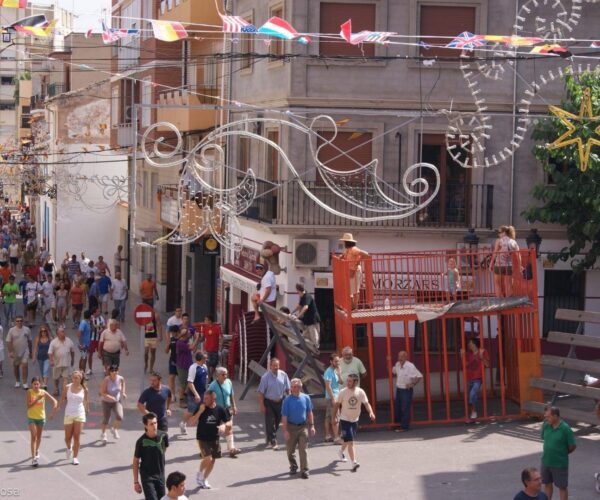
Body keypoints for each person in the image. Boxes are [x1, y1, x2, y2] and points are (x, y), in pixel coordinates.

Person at [190, 390, 230, 489]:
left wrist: (224, 425)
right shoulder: (201, 407)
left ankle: (204, 479)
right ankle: (199, 473)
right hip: (202, 438)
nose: (204, 400)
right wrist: (200, 411)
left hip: (214, 438)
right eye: (204, 398)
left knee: (213, 460)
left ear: (213, 399)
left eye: (206, 398)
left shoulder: (220, 409)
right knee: (208, 458)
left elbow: (229, 422)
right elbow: (192, 422)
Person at [336, 373, 376, 472]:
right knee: (351, 441)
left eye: (350, 381)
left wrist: (371, 412)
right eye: (347, 380)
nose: (347, 382)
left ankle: (340, 451)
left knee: (347, 440)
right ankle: (354, 462)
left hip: (355, 420)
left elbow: (366, 403)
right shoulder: (342, 392)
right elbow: (336, 405)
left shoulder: (360, 392)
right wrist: (333, 418)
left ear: (356, 382)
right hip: (344, 419)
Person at [281, 378, 315, 479]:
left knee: (303, 449)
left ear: (300, 387)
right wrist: (285, 430)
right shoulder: (287, 400)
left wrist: (312, 426)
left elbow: (309, 412)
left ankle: (304, 469)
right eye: (292, 387)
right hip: (291, 427)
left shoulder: (306, 398)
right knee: (290, 451)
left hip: (303, 427)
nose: (294, 388)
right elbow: (284, 416)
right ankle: (293, 466)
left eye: (296, 386)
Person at [541, 406, 576, 500]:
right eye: (545, 416)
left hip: (559, 464)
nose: (546, 418)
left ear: (555, 416)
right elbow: (544, 438)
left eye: (548, 417)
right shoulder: (546, 425)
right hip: (546, 461)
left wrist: (562, 453)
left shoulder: (565, 428)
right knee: (547, 484)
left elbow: (572, 446)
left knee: (562, 487)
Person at [133, 412, 169, 500]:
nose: (154, 426)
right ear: (146, 425)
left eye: (155, 423)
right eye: (151, 424)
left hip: (160, 474)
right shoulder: (141, 442)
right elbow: (136, 461)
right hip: (147, 476)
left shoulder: (163, 435)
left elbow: (164, 449)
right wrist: (136, 482)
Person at [257, 357, 290, 449]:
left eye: (277, 365)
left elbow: (288, 389)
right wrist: (262, 405)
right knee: (270, 422)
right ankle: (273, 441)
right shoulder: (265, 377)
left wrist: (290, 400)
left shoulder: (283, 375)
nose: (276, 367)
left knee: (277, 422)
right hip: (269, 402)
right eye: (274, 365)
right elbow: (261, 393)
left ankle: (269, 435)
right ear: (270, 366)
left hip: (281, 402)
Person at [26, 376, 58, 466]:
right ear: (32, 384)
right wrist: (37, 399)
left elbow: (55, 401)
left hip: (41, 417)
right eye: (34, 384)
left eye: (37, 384)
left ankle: (36, 450)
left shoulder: (43, 392)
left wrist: (53, 412)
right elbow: (28, 406)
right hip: (31, 417)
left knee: (39, 437)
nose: (36, 386)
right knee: (33, 436)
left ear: (40, 384)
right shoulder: (29, 392)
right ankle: (34, 459)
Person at [60, 370, 88, 465]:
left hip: (79, 414)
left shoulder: (84, 389)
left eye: (77, 378)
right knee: (67, 438)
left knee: (77, 436)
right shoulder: (67, 387)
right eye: (73, 378)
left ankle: (75, 457)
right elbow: (62, 399)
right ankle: (69, 448)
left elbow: (85, 401)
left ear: (80, 379)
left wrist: (86, 410)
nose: (75, 379)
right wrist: (56, 408)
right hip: (68, 414)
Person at [392, 351, 423, 432]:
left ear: (406, 357)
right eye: (399, 356)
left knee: (405, 408)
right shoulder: (397, 364)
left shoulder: (410, 366)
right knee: (398, 407)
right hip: (399, 389)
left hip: (406, 390)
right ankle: (397, 425)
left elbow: (419, 376)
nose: (400, 358)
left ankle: (404, 427)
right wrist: (388, 361)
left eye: (402, 356)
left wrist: (412, 384)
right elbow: (393, 371)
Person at [179, 351, 207, 436]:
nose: (206, 359)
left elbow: (205, 380)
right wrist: (196, 394)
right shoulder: (193, 368)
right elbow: (190, 383)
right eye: (205, 358)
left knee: (202, 411)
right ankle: (183, 423)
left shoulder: (204, 367)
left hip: (202, 393)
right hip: (193, 395)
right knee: (191, 411)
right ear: (201, 359)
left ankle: (201, 429)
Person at [490, 225, 522, 297]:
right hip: (509, 265)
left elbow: (495, 252)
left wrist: (491, 263)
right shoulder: (513, 242)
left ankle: (499, 300)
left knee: (497, 282)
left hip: (499, 264)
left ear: (504, 232)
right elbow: (518, 255)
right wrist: (520, 266)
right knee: (509, 284)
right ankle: (508, 300)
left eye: (499, 232)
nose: (498, 234)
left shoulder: (499, 240)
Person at [461, 338, 490, 420]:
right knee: (471, 396)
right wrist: (462, 356)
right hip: (469, 377)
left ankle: (472, 409)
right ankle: (473, 411)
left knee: (472, 394)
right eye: (468, 343)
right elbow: (465, 365)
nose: (468, 345)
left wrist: (481, 356)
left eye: (470, 343)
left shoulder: (483, 351)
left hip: (478, 377)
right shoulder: (469, 354)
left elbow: (487, 365)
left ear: (474, 344)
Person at [339, 233, 369, 309]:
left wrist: (358, 262)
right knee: (350, 289)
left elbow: (365, 254)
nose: (343, 243)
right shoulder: (348, 250)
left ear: (347, 242)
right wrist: (341, 256)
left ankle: (355, 307)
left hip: (355, 271)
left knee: (355, 290)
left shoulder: (353, 249)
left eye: (344, 241)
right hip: (350, 271)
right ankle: (352, 306)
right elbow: (345, 256)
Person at [100, 365, 126, 443]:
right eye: (112, 371)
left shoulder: (120, 378)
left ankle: (114, 429)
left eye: (116, 370)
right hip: (106, 401)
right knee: (106, 419)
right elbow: (102, 392)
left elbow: (123, 384)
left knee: (120, 416)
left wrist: (123, 393)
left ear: (118, 371)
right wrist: (110, 397)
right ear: (109, 372)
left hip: (116, 401)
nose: (114, 372)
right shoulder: (106, 380)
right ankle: (103, 434)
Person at [6, 315, 32, 389]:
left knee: (25, 365)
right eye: (17, 321)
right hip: (15, 352)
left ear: (23, 321)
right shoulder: (11, 330)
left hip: (25, 351)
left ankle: (25, 382)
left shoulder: (27, 329)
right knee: (16, 367)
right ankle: (17, 381)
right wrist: (10, 351)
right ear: (15, 322)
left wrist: (30, 351)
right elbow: (8, 341)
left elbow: (30, 341)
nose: (19, 322)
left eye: (21, 321)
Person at [293, 283, 321, 349]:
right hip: (307, 320)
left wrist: (298, 316)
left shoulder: (307, 296)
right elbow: (299, 306)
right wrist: (292, 312)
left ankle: (315, 349)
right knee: (305, 336)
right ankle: (308, 348)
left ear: (298, 290)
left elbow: (305, 307)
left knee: (314, 336)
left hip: (312, 320)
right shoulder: (302, 297)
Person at [48, 326, 75, 396]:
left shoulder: (69, 340)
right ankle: (56, 389)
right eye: (62, 331)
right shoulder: (53, 342)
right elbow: (50, 352)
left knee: (66, 378)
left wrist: (72, 359)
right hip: (57, 363)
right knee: (56, 378)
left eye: (64, 331)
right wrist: (51, 360)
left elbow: (72, 351)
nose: (64, 332)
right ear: (58, 334)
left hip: (66, 363)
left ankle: (65, 392)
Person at [323, 353, 343, 443]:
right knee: (335, 417)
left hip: (334, 396)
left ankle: (328, 436)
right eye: (336, 361)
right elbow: (328, 386)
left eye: (338, 361)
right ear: (331, 361)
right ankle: (336, 438)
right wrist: (333, 398)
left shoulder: (336, 370)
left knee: (328, 417)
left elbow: (341, 382)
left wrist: (339, 374)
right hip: (332, 396)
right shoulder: (328, 372)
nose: (338, 363)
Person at [201, 315, 221, 381]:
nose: (204, 321)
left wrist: (221, 346)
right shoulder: (205, 328)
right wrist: (198, 338)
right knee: (208, 364)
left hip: (215, 349)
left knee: (214, 363)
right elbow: (203, 338)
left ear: (210, 321)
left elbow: (221, 337)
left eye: (206, 320)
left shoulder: (217, 328)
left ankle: (211, 375)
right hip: (207, 349)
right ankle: (209, 377)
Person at [164, 325, 180, 403]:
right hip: (172, 361)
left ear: (177, 332)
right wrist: (168, 343)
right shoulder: (171, 340)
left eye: (173, 332)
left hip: (180, 361)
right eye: (171, 333)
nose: (172, 334)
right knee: (171, 378)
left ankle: (182, 395)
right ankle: (172, 395)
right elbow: (166, 351)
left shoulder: (181, 339)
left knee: (181, 379)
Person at [88, 306, 106, 375]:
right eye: (98, 311)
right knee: (90, 354)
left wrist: (102, 330)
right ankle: (90, 369)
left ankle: (104, 368)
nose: (99, 312)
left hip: (100, 339)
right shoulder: (90, 319)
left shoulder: (101, 318)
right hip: (92, 339)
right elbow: (91, 329)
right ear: (94, 313)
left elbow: (104, 327)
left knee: (102, 354)